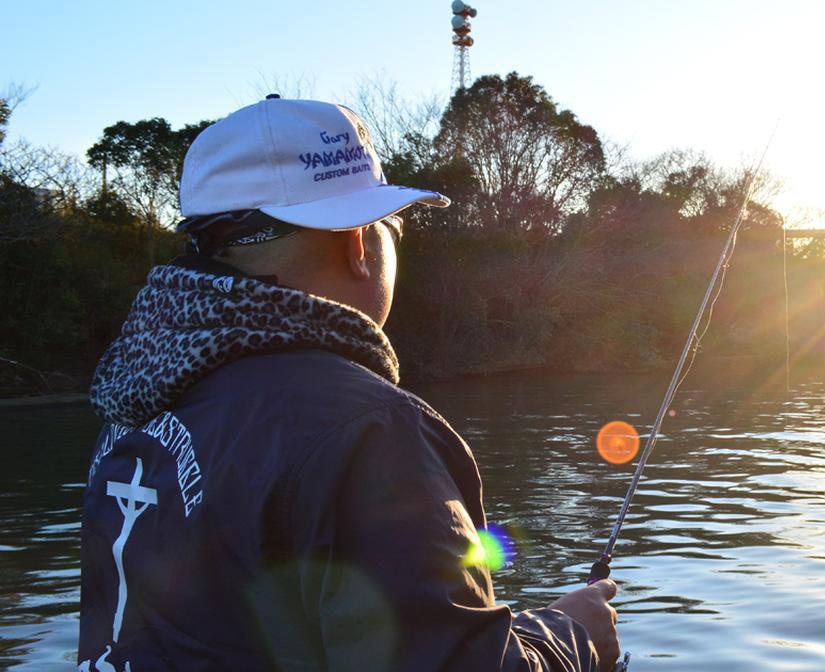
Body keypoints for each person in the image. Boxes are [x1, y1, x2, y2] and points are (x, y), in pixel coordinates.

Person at [78, 96, 620, 671]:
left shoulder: (132, 408)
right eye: (394, 226)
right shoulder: (367, 428)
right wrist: (573, 636)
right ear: (359, 245)